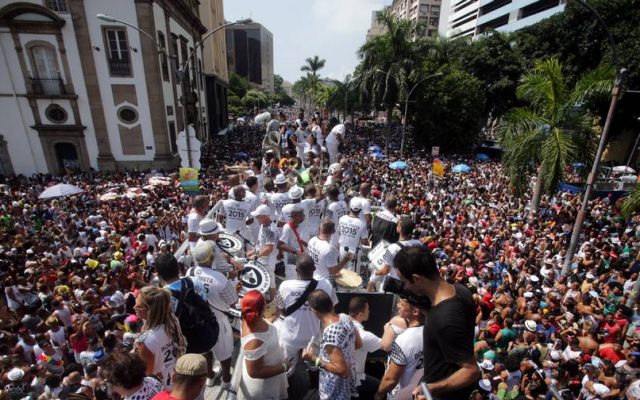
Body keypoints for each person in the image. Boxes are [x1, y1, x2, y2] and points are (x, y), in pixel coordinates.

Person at [395, 246, 479, 400]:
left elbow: (471, 371)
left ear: (417, 278)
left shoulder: (443, 319)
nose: (405, 286)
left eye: (404, 281)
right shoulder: (461, 291)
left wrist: (433, 388)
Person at [186, 241, 238, 389]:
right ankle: (226, 379)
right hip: (218, 320)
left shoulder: (190, 272)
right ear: (210, 258)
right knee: (225, 352)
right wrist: (235, 288)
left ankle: (209, 376)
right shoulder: (220, 278)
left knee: (205, 349)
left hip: (198, 319)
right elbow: (233, 303)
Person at [277, 254, 338, 373]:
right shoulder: (326, 285)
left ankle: (289, 386)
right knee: (315, 367)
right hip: (314, 337)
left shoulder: (285, 286)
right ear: (314, 269)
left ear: (296, 269)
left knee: (287, 369)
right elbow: (332, 310)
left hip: (290, 338)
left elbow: (280, 310)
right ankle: (313, 385)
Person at [302, 289, 362, 400]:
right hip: (348, 385)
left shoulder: (330, 334)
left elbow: (342, 371)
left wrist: (313, 359)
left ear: (314, 310)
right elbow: (358, 344)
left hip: (334, 392)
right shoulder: (345, 318)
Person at [239, 290, 289, 399]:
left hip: (272, 376)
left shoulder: (248, 318)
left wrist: (271, 319)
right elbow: (254, 372)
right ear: (263, 308)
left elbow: (262, 323)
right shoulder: (254, 341)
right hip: (264, 387)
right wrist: (284, 367)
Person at [134, 286, 186, 389]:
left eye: (139, 306)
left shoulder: (145, 341)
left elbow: (147, 374)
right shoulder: (172, 319)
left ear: (151, 311)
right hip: (182, 375)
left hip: (167, 388)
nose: (134, 307)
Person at [374, 298, 424, 400]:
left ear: (415, 311)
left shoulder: (403, 340)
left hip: (400, 395)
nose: (398, 305)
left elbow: (391, 379)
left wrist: (379, 393)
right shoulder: (432, 330)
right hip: (420, 392)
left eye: (401, 304)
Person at [348, 297, 382, 399]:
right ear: (360, 314)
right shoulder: (365, 336)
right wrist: (389, 326)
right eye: (367, 309)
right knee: (381, 387)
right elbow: (386, 345)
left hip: (340, 376)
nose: (369, 311)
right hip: (355, 378)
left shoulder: (339, 321)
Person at [247, 205, 278, 300]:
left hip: (268, 261)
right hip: (262, 258)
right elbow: (260, 242)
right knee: (263, 282)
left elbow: (268, 248)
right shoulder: (263, 225)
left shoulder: (270, 229)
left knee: (271, 283)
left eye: (258, 216)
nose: (256, 218)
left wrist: (255, 255)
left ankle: (273, 305)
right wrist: (253, 250)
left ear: (264, 216)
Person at [307, 219, 352, 284]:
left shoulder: (312, 240)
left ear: (320, 228)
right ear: (333, 231)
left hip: (312, 279)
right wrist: (345, 260)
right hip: (323, 283)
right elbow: (333, 271)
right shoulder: (330, 249)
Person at [337, 198, 369, 272]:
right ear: (360, 210)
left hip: (342, 249)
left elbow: (339, 232)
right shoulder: (362, 223)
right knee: (353, 275)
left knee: (342, 271)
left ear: (350, 208)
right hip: (354, 252)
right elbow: (364, 241)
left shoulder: (342, 218)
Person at [278, 203, 307, 279]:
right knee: (292, 278)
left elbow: (294, 237)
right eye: (301, 215)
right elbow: (280, 244)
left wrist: (304, 243)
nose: (303, 217)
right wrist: (295, 252)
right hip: (291, 257)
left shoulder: (297, 225)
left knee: (299, 277)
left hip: (297, 255)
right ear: (295, 216)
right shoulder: (287, 227)